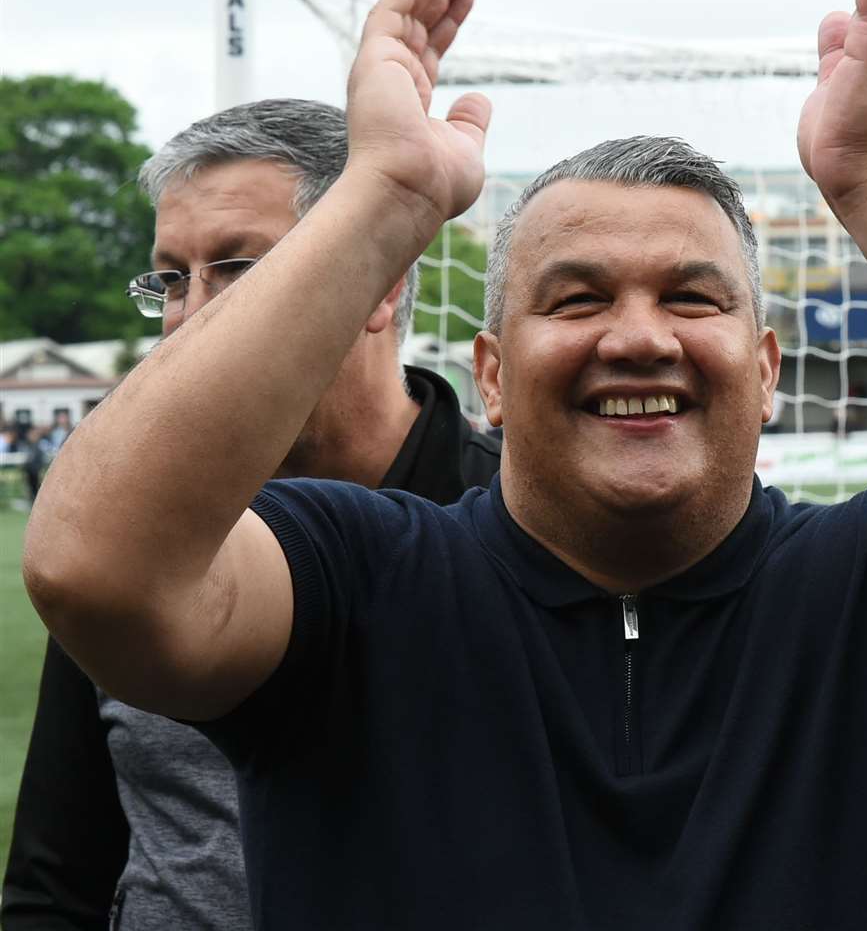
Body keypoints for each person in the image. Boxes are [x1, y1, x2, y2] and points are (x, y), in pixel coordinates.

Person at [21, 0, 867, 930]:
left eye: (693, 297)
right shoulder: (350, 580)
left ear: (767, 369)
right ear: (491, 376)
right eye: (579, 298)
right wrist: (386, 197)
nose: (640, 334)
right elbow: (98, 568)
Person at [2, 100, 500, 929]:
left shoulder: (523, 522)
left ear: (377, 283)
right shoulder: (130, 534)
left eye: (237, 269)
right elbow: (56, 884)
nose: (191, 316)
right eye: (170, 278)